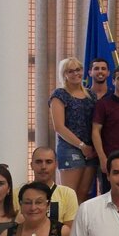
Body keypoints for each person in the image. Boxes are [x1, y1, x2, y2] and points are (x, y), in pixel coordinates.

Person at [50, 57, 99, 202]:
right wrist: (81, 146)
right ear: (64, 74)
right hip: (70, 148)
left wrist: (91, 147)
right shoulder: (59, 94)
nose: (75, 73)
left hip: (90, 150)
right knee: (69, 195)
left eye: (78, 69)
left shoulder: (91, 95)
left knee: (84, 194)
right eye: (70, 71)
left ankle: (79, 219)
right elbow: (59, 127)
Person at [21, 147, 79, 227]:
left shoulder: (68, 194)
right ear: (31, 165)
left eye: (48, 162)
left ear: (56, 165)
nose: (43, 167)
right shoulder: (18, 194)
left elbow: (70, 230)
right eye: (38, 162)